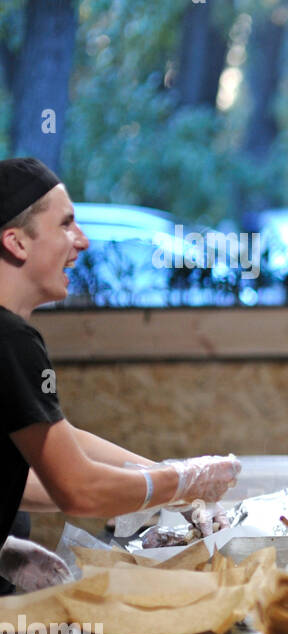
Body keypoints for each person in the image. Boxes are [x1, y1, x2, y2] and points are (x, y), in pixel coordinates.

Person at [0, 157, 240, 593]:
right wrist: (179, 481)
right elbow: (77, 488)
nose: (83, 241)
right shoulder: (10, 339)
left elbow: (55, 453)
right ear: (16, 242)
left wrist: (167, 477)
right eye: (66, 225)